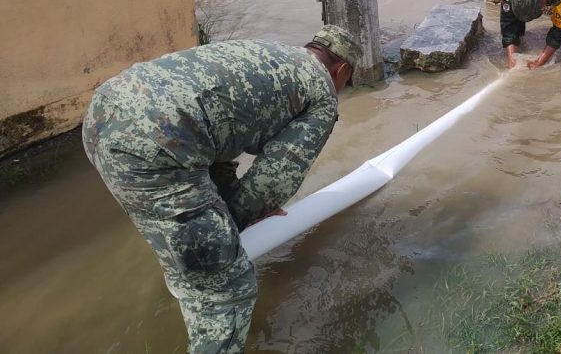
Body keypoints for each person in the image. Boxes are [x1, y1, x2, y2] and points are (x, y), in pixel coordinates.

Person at [82, 25, 361, 354]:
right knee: (225, 290)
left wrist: (226, 219)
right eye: (348, 82)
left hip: (101, 115)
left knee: (192, 255)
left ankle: (187, 283)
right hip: (158, 146)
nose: (342, 89)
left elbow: (218, 144)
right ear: (341, 70)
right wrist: (241, 220)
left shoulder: (268, 55)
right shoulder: (322, 91)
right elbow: (276, 177)